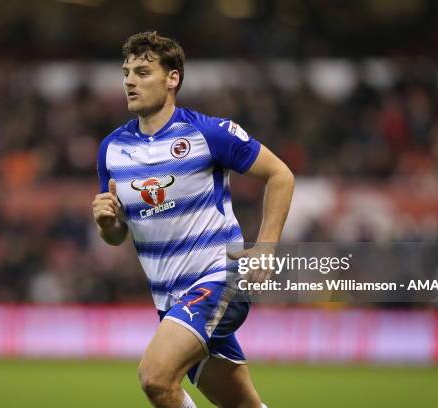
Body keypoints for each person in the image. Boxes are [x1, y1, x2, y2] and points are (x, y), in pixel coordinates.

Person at [92, 31, 294, 408]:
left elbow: (280, 175)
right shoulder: (112, 150)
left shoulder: (207, 133)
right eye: (126, 73)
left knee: (155, 377)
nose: (130, 81)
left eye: (142, 72)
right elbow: (117, 235)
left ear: (173, 78)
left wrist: (265, 247)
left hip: (220, 279)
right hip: (171, 299)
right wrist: (108, 225)